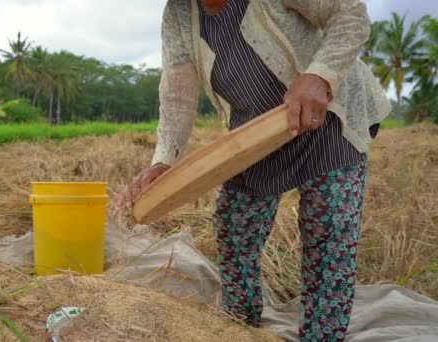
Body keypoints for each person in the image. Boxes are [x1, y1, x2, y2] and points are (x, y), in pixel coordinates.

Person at [121, 0, 391, 341]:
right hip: (256, 135)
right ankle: (241, 327)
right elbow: (178, 92)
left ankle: (322, 335)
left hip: (326, 117)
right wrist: (163, 161)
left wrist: (319, 73)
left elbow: (349, 13)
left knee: (328, 230)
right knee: (235, 225)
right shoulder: (179, 13)